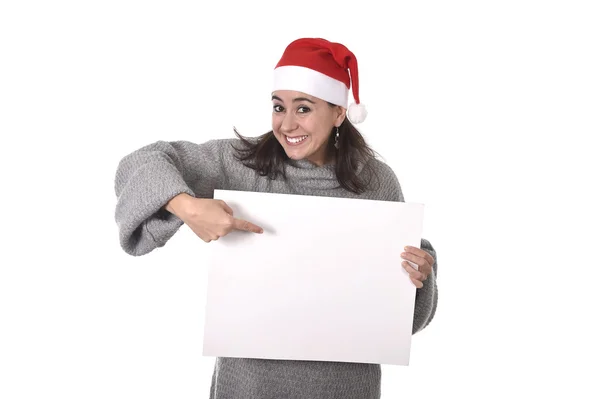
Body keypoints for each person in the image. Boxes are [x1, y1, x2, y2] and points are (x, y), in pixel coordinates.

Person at [114, 37, 438, 399]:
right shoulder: (241, 165)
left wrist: (419, 277)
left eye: (303, 109)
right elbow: (140, 163)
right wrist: (188, 208)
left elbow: (403, 322)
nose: (286, 124)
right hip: (248, 387)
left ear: (338, 113)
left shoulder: (377, 183)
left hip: (344, 388)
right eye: (278, 106)